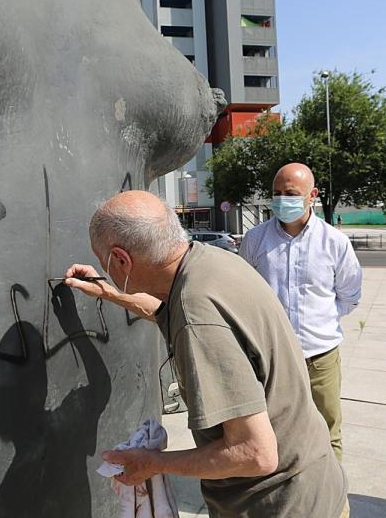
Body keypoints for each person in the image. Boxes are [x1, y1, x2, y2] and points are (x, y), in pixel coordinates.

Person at [65, 191, 347, 517]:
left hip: (283, 506)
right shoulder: (208, 262)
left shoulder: (196, 314)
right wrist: (111, 292)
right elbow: (164, 311)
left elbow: (255, 453)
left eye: (104, 263)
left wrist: (151, 464)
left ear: (121, 259)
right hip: (319, 486)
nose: (105, 269)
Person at [239, 163, 362, 462]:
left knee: (327, 432)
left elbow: (349, 296)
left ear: (313, 195)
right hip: (269, 359)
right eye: (276, 193)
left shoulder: (334, 242)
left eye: (291, 193)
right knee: (271, 431)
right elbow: (244, 292)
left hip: (319, 358)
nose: (282, 200)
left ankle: (330, 500)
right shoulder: (255, 240)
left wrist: (317, 321)